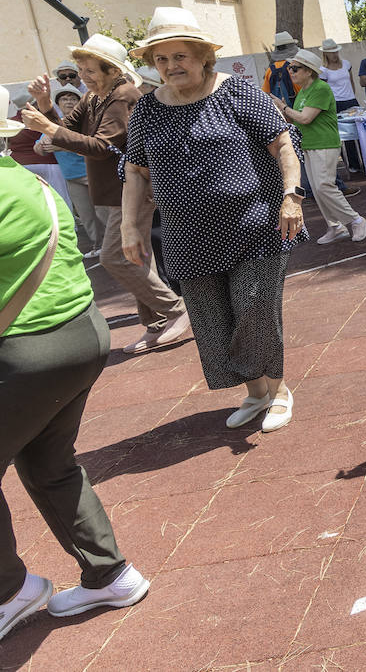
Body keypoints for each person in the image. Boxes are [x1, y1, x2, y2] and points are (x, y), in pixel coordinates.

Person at [1, 106, 149, 642]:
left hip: (27, 351)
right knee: (49, 463)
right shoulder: (25, 179)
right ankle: (110, 574)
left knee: (49, 464)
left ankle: (11, 591)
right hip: (80, 335)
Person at [121, 7, 307, 433]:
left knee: (254, 309)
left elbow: (283, 145)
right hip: (187, 235)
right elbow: (135, 169)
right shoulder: (147, 110)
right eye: (161, 59)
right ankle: (256, 391)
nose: (170, 67)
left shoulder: (237, 93)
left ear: (203, 56)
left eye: (180, 56)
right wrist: (129, 226)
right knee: (212, 317)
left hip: (256, 226)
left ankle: (278, 391)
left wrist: (291, 197)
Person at [21, 34, 190, 356]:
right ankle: (156, 323)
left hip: (135, 189)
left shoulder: (123, 95)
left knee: (115, 256)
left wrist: (47, 126)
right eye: (79, 70)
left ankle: (175, 310)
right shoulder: (94, 97)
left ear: (112, 70)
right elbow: (68, 129)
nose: (82, 77)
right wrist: (46, 106)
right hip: (116, 191)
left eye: (88, 70)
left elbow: (99, 146)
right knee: (135, 257)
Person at [273, 49, 366, 245]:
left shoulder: (320, 88)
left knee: (324, 186)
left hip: (324, 144)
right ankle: (335, 226)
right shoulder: (304, 92)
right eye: (291, 68)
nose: (291, 71)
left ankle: (356, 220)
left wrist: (283, 107)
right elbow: (297, 119)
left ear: (309, 71)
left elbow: (305, 118)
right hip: (309, 144)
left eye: (295, 68)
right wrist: (283, 110)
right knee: (317, 190)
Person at [39, 86, 100, 253]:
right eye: (64, 99)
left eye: (73, 99)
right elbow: (37, 149)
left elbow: (93, 147)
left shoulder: (86, 121)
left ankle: (114, 246)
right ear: (58, 103)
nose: (69, 102)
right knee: (86, 214)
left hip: (92, 173)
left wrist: (61, 147)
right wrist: (43, 146)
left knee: (103, 212)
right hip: (71, 177)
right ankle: (98, 246)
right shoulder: (54, 124)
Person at [317, 38, 359, 112]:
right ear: (325, 53)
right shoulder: (323, 70)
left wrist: (352, 95)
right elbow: (323, 89)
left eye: (336, 52)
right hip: (336, 102)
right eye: (331, 52)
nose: (334, 54)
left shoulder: (346, 64)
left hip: (351, 99)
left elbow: (351, 81)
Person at [261, 31, 299, 106]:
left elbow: (266, 93)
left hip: (281, 110)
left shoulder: (270, 70)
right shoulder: (295, 65)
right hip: (299, 108)